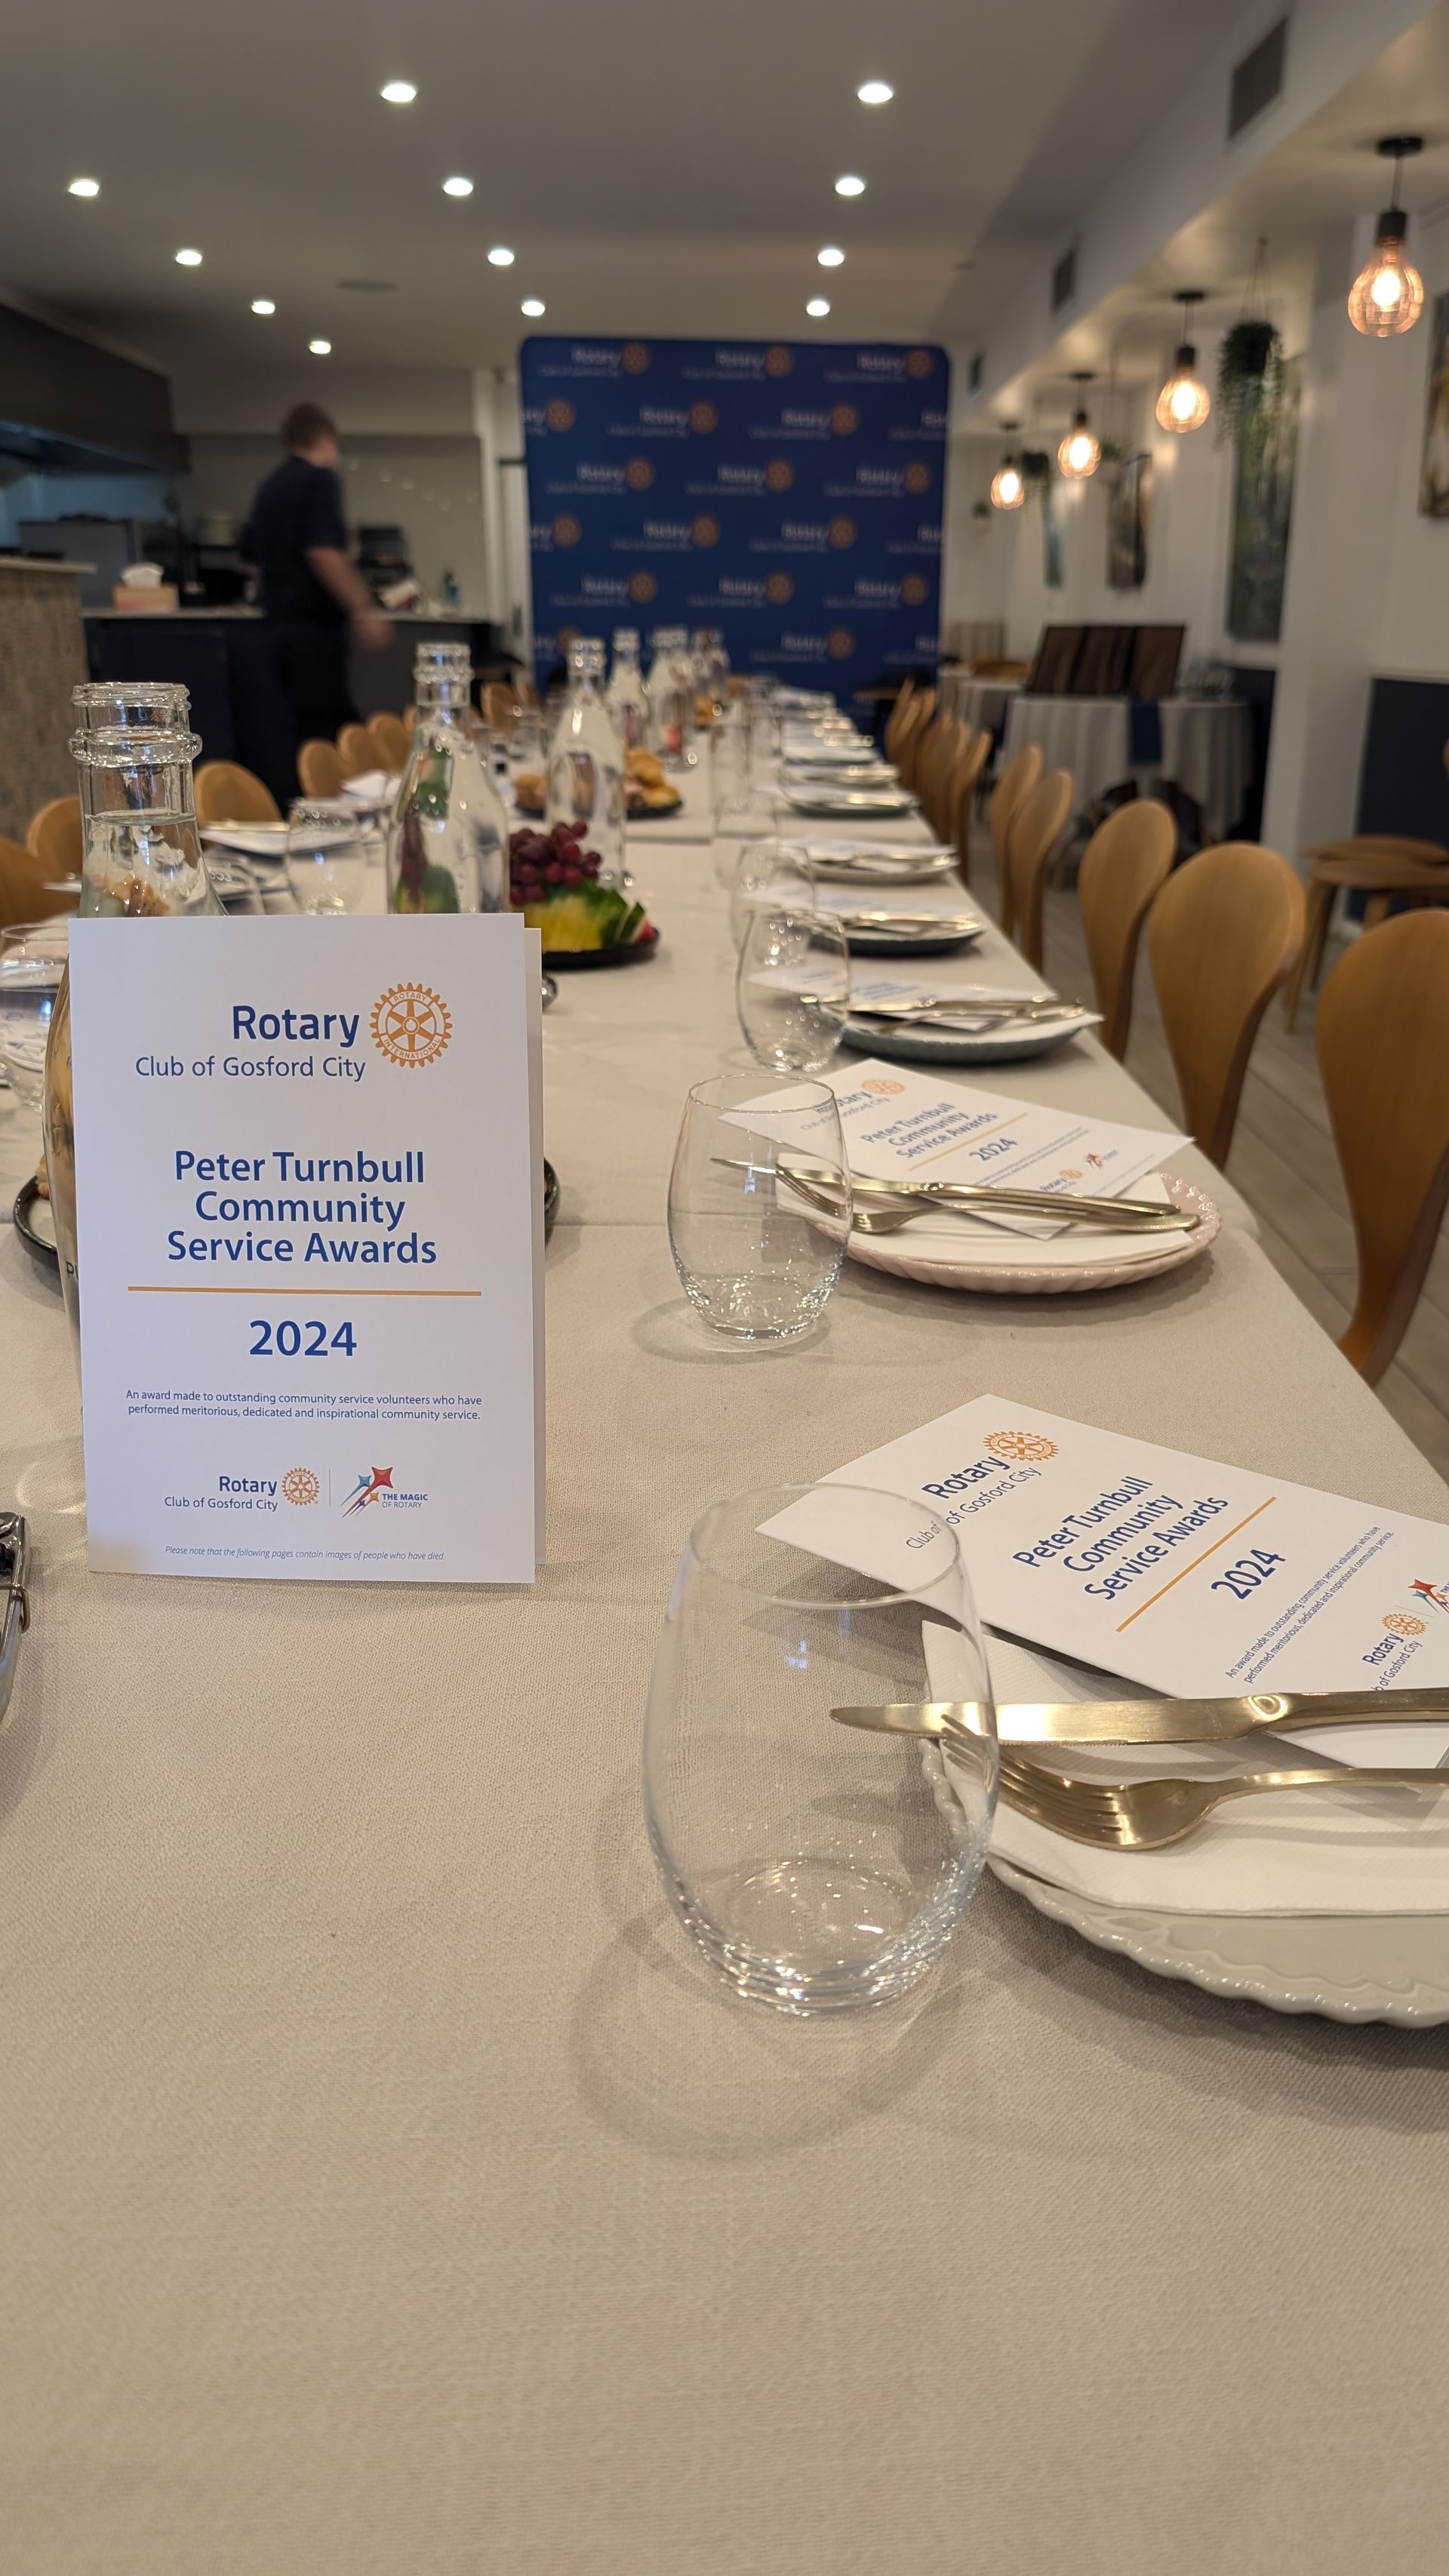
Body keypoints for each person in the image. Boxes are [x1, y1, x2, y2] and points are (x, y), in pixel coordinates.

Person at [241, 402, 392, 753]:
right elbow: (323, 552)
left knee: (298, 737)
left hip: (275, 629)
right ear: (326, 439)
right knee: (328, 734)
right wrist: (363, 607)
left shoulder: (271, 487)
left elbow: (250, 556)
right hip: (312, 632)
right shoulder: (319, 479)